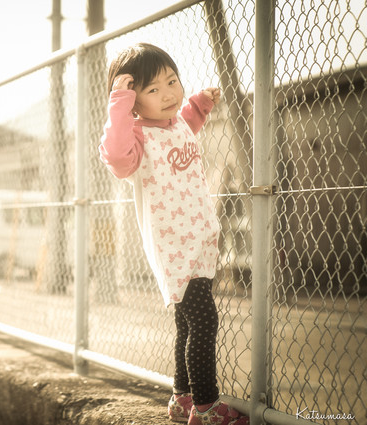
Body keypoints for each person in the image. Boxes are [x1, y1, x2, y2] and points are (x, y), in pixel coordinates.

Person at [98, 43, 249, 425]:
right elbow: (115, 157)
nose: (167, 94)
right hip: (173, 245)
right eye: (153, 89)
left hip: (199, 236)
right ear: (133, 101)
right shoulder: (135, 137)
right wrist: (118, 104)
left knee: (187, 322)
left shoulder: (176, 123)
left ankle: (182, 398)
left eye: (172, 81)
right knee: (205, 320)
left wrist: (199, 103)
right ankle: (206, 407)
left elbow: (185, 127)